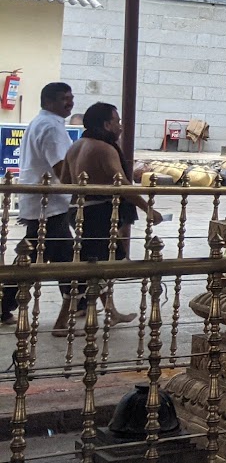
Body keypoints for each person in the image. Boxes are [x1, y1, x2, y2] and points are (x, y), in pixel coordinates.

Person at [64, 103, 162, 330]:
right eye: (116, 121)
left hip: (77, 210)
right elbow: (123, 184)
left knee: (99, 264)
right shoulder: (104, 149)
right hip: (96, 213)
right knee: (91, 268)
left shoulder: (75, 146)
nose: (120, 126)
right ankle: (62, 320)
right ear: (106, 124)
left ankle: (110, 311)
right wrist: (148, 208)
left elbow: (64, 180)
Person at [1, 82, 78, 327]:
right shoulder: (51, 127)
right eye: (65, 98)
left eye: (71, 97)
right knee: (66, 258)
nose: (70, 102)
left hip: (40, 203)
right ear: (49, 102)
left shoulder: (41, 122)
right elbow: (61, 168)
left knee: (31, 256)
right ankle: (77, 304)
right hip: (49, 204)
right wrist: (80, 188)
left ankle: (3, 305)